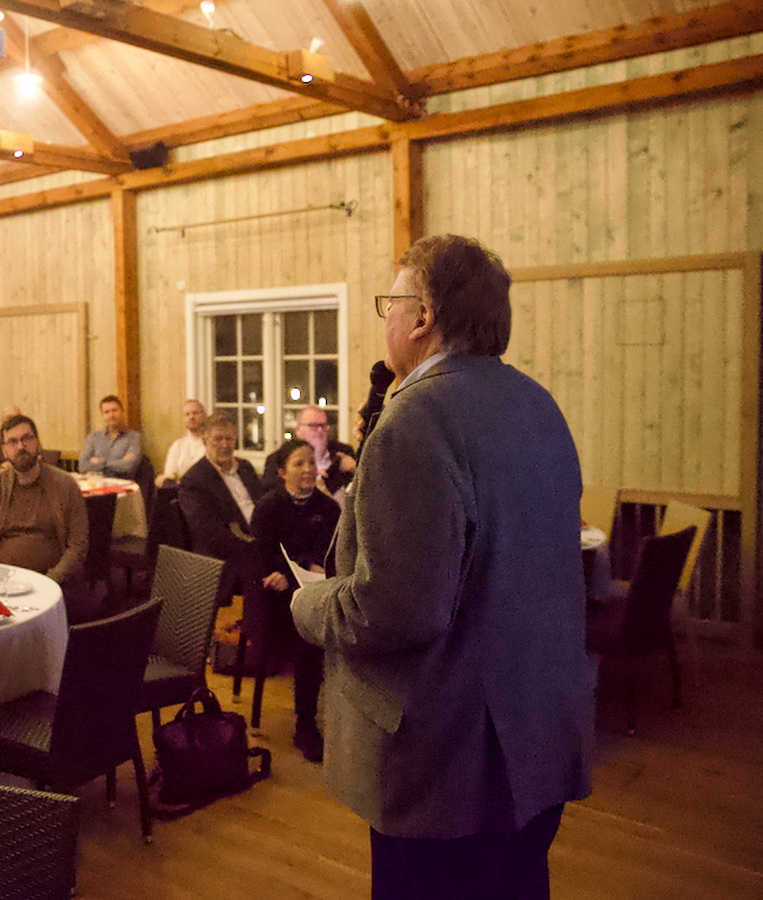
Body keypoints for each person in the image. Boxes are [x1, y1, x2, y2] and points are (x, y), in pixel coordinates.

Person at [291, 235, 594, 899]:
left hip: (452, 765)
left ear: (424, 316)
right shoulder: (536, 404)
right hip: (541, 730)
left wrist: (308, 603)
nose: (387, 319)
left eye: (390, 304)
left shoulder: (415, 421)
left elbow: (396, 611)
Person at [246, 439, 338, 762]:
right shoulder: (269, 507)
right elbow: (259, 554)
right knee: (307, 634)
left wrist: (315, 564)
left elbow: (331, 552)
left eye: (311, 462)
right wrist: (284, 571)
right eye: (299, 464)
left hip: (316, 591)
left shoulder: (329, 509)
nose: (308, 470)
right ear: (283, 472)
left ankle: (345, 716)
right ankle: (306, 724)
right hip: (275, 597)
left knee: (329, 618)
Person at [0, 415, 92, 618]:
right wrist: (4, 580)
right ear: (4, 450)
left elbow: (78, 545)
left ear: (38, 444)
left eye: (27, 438)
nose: (21, 446)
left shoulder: (65, 485)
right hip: (2, 587)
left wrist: (51, 579)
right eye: (13, 442)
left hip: (56, 584)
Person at [178, 412, 264, 600]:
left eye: (229, 439)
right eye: (217, 439)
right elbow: (212, 535)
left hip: (259, 545)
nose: (224, 445)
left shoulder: (246, 468)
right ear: (204, 441)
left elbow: (263, 507)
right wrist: (256, 552)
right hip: (225, 560)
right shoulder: (194, 481)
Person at [260, 405, 356, 498]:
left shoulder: (344, 453)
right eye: (313, 426)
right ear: (298, 430)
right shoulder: (279, 459)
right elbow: (271, 492)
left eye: (323, 425)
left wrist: (355, 469)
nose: (320, 431)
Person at [78, 395, 145, 478]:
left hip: (122, 487)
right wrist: (119, 462)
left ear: (122, 411)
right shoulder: (93, 437)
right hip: (96, 485)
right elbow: (82, 466)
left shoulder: (134, 438)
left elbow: (129, 466)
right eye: (107, 412)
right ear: (102, 415)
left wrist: (99, 461)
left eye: (114, 410)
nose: (111, 415)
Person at [157, 399, 207, 487]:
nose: (191, 417)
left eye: (195, 413)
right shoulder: (177, 446)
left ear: (204, 415)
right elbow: (169, 474)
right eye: (187, 414)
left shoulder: (211, 444)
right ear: (184, 419)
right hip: (181, 491)